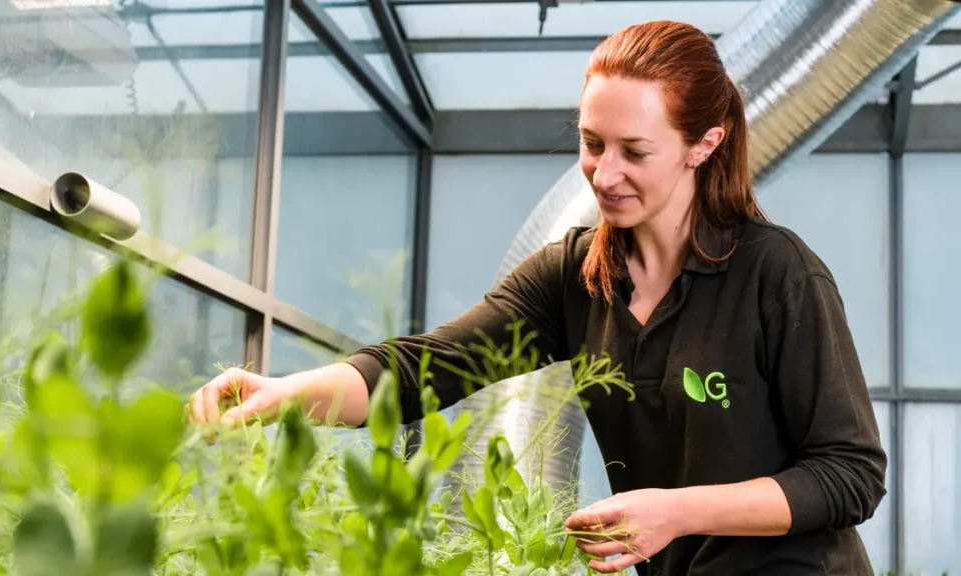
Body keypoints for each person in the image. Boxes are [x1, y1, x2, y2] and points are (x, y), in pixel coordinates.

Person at [187, 19, 887, 576]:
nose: (603, 173)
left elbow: (850, 475)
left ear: (703, 145)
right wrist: (280, 396)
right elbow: (421, 370)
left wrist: (676, 513)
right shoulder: (573, 277)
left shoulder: (778, 276)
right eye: (590, 143)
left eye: (634, 152)